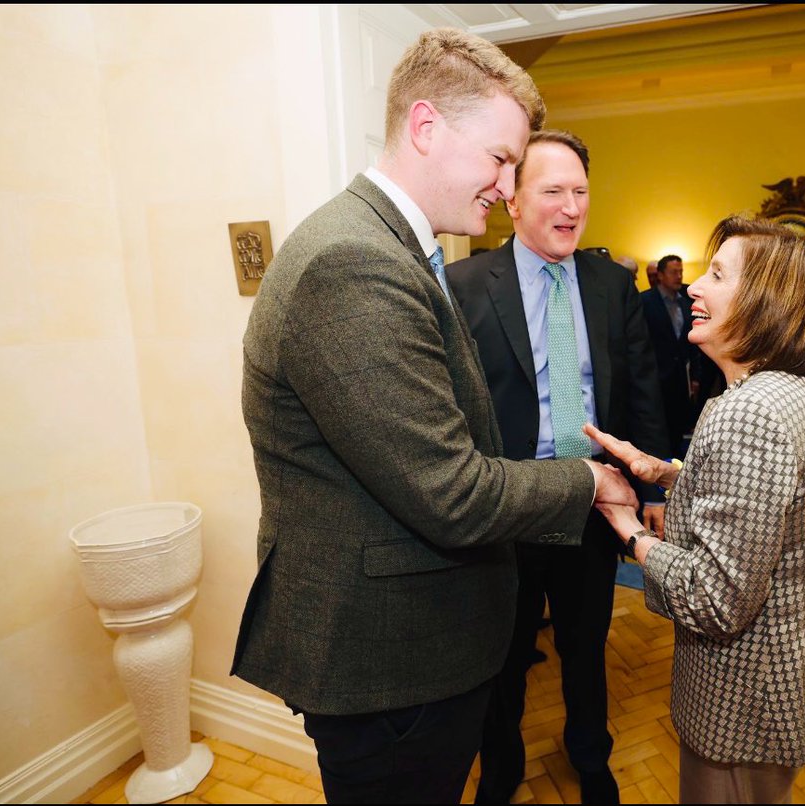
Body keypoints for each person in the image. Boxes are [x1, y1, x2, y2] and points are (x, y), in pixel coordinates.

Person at [231, 29, 635, 805]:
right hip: (389, 666)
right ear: (425, 128)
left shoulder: (393, 249)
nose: (507, 182)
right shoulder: (354, 263)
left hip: (413, 652)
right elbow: (449, 491)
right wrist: (589, 481)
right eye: (500, 158)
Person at [584, 215, 805, 804]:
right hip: (791, 668)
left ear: (766, 302)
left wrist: (628, 529)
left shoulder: (748, 413)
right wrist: (668, 472)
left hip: (746, 696)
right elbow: (775, 502)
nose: (694, 287)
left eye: (718, 275)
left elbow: (715, 597)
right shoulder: (802, 389)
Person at [448, 129, 670, 805]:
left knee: (584, 646)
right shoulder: (463, 284)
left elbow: (640, 387)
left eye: (581, 192)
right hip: (506, 507)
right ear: (512, 200)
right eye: (553, 191)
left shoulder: (611, 283)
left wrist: (650, 483)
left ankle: (590, 756)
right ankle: (502, 768)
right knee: (504, 657)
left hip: (594, 503)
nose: (572, 207)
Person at [641, 254, 699, 456]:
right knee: (657, 432)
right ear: (661, 275)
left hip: (679, 380)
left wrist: (695, 378)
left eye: (681, 271)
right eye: (674, 272)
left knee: (676, 431)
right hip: (655, 379)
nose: (679, 276)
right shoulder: (645, 302)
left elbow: (691, 343)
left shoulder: (686, 303)